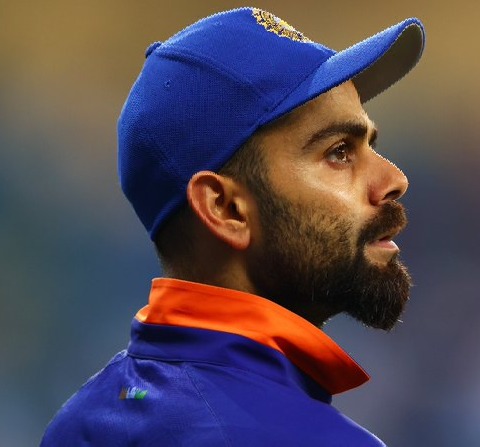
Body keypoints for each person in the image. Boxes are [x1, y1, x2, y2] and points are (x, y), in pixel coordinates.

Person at [41, 7, 425, 446]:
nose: (395, 179)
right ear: (225, 208)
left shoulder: (82, 422)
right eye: (339, 152)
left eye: (371, 144)